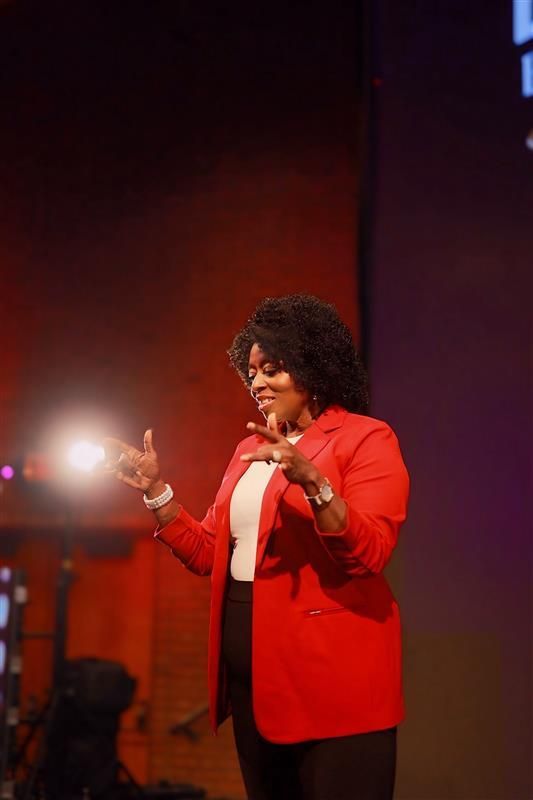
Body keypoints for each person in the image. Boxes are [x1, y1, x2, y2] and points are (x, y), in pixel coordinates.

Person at [104, 294, 410, 800]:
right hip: (257, 690)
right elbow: (209, 553)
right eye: (252, 371)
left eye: (273, 369)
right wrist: (155, 492)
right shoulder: (250, 448)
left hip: (335, 689)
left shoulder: (365, 439)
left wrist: (313, 482)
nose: (258, 383)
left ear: (314, 365)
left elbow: (368, 552)